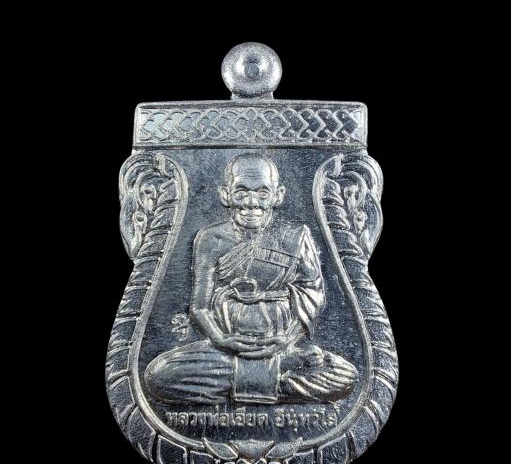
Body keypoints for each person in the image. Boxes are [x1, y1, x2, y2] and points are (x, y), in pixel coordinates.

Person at [145, 154, 358, 404]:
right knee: (158, 375)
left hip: (281, 342)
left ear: (278, 195)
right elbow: (199, 307)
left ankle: (258, 376)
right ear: (226, 195)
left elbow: (312, 293)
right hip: (226, 349)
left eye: (262, 193)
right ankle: (279, 377)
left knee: (346, 376)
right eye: (241, 192)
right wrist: (221, 339)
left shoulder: (296, 236)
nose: (251, 202)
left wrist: (286, 341)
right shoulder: (210, 238)